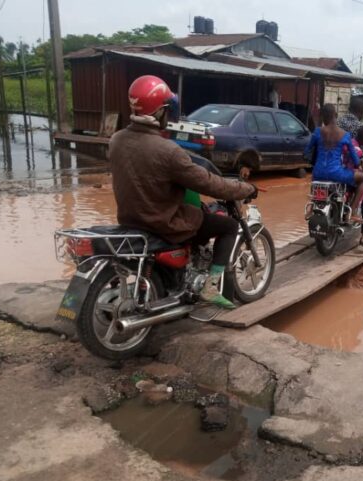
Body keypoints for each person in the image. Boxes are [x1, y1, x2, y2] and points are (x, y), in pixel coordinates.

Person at [109, 75, 257, 310]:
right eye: (167, 109)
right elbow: (209, 183)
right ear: (160, 111)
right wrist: (245, 188)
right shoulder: (168, 151)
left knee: (196, 214)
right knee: (228, 226)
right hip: (163, 223)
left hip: (130, 220)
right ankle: (210, 288)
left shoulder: (116, 140)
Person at [305, 103, 363, 224]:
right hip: (337, 173)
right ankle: (353, 212)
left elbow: (306, 152)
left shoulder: (317, 132)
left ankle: (311, 208)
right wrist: (358, 164)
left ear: (322, 117)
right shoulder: (345, 135)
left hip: (318, 173)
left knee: (316, 184)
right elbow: (355, 160)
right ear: (336, 115)